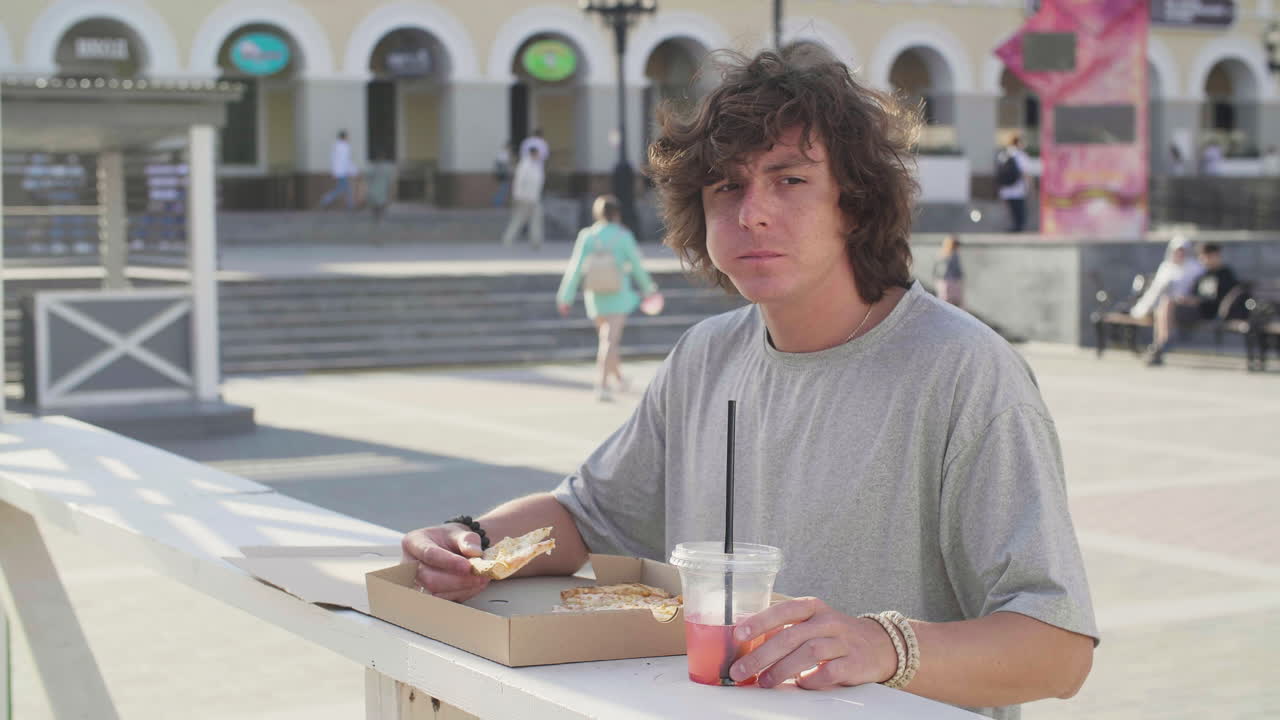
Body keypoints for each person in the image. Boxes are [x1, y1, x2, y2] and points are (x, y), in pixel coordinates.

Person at [403, 47, 1096, 720]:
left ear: (853, 203)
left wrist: (886, 645)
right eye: (726, 186)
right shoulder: (705, 356)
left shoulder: (964, 370)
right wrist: (471, 541)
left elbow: (1057, 650)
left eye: (790, 180)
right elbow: (585, 517)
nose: (752, 212)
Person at [556, 194, 659, 401]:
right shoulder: (623, 236)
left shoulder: (587, 236)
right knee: (609, 340)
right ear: (616, 213)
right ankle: (601, 385)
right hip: (617, 294)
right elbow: (637, 267)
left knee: (608, 339)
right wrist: (649, 289)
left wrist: (565, 296)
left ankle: (619, 379)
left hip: (594, 294)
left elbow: (575, 268)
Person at [1129, 235, 1204, 366]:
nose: (1179, 254)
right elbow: (1155, 290)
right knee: (1163, 306)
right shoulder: (1166, 267)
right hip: (1162, 305)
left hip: (1186, 307)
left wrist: (1184, 298)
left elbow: (1199, 293)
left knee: (1166, 304)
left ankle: (1161, 344)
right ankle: (1160, 345)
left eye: (1182, 251)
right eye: (1177, 251)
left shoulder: (1195, 268)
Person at [500, 146, 545, 249]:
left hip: (534, 198)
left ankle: (536, 241)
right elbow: (518, 182)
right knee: (519, 219)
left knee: (536, 219)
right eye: (538, 153)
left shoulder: (536, 166)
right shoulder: (525, 165)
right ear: (533, 153)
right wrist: (517, 196)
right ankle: (508, 239)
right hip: (524, 198)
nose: (539, 156)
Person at [1192, 242, 1242, 321]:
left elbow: (1211, 299)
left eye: (1207, 256)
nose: (1203, 260)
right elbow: (1196, 294)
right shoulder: (1204, 275)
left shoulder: (1225, 274)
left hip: (1214, 313)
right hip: (1201, 310)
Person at [996, 135, 1033, 232]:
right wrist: (1029, 186)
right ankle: (1018, 227)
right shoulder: (1021, 155)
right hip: (1018, 187)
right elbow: (1025, 173)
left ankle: (1012, 226)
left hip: (1006, 187)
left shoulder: (1004, 154)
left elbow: (999, 171)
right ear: (1019, 143)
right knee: (1019, 209)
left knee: (1011, 209)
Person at [319, 130, 358, 210]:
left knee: (343, 188)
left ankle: (349, 205)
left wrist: (334, 170)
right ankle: (326, 200)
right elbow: (346, 160)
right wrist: (354, 170)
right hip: (343, 171)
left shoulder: (335, 146)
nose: (348, 138)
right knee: (343, 189)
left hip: (338, 171)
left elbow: (333, 159)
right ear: (344, 137)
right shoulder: (345, 147)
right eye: (347, 136)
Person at [932, 234, 964, 308]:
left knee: (945, 302)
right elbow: (956, 270)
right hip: (950, 281)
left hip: (942, 281)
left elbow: (935, 270)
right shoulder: (953, 255)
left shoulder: (941, 254)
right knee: (953, 302)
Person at [366, 153, 395, 229]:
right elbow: (390, 181)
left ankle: (376, 220)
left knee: (376, 207)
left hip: (374, 191)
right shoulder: (387, 168)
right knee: (381, 206)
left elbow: (368, 179)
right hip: (381, 191)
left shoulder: (372, 167)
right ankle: (379, 221)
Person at [492, 141, 513, 207]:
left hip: (502, 174)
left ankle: (498, 202)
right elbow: (506, 165)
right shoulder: (504, 154)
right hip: (504, 174)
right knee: (503, 188)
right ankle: (497, 202)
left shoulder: (501, 153)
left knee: (503, 188)